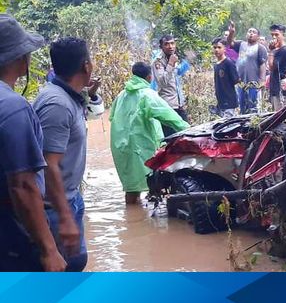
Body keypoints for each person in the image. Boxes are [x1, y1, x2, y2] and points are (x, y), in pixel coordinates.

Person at [0, 14, 66, 272]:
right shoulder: (12, 108)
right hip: (10, 229)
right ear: (21, 59)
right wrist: (49, 250)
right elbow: (23, 185)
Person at [33, 37, 103, 272]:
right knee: (66, 267)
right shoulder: (57, 104)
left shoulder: (66, 96)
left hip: (68, 197)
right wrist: (64, 217)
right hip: (54, 206)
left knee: (75, 262)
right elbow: (48, 164)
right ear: (86, 66)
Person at [110, 62, 190, 205]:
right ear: (149, 77)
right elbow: (170, 117)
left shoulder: (121, 95)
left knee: (131, 188)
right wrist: (189, 130)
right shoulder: (147, 95)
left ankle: (132, 221)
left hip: (121, 146)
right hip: (141, 146)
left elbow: (111, 117)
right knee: (152, 182)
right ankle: (146, 223)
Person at [150, 35, 190, 136]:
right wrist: (171, 64)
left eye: (172, 43)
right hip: (168, 107)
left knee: (187, 135)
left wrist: (188, 59)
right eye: (166, 44)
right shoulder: (157, 62)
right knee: (171, 139)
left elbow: (177, 74)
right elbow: (162, 82)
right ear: (161, 47)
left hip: (179, 105)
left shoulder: (173, 58)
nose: (170, 46)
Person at [226, 21, 268, 114]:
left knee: (253, 106)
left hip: (253, 83)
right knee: (241, 105)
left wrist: (262, 81)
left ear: (258, 36)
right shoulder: (241, 44)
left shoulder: (260, 48)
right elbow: (229, 43)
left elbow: (262, 65)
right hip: (241, 82)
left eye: (254, 32)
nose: (251, 34)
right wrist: (231, 32)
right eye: (249, 31)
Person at [212, 38, 240, 118]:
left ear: (225, 49)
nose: (217, 50)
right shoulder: (216, 65)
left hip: (229, 100)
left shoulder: (228, 63)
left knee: (228, 124)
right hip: (221, 100)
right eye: (215, 47)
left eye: (219, 47)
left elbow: (236, 79)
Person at [267, 24, 286, 111]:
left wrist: (271, 51)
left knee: (281, 115)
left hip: (281, 89)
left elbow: (271, 67)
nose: (274, 37)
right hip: (274, 87)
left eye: (277, 35)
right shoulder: (275, 50)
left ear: (283, 35)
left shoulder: (284, 50)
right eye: (272, 35)